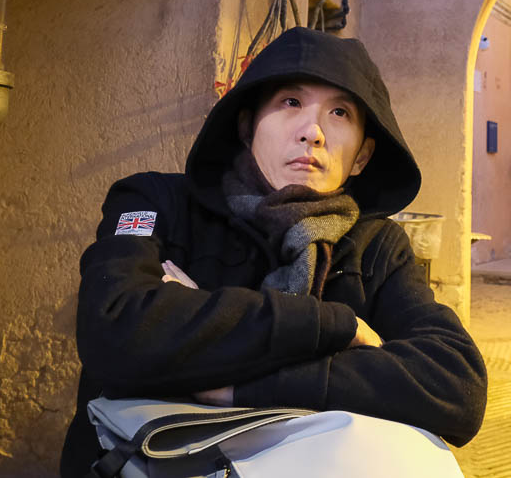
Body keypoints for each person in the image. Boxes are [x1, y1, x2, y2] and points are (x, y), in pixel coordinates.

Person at [59, 28, 488, 477]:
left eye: (339, 112)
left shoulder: (376, 246)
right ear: (247, 126)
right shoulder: (155, 202)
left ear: (362, 156)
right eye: (290, 103)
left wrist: (234, 378)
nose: (313, 132)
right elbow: (114, 329)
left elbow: (455, 383)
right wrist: (334, 327)